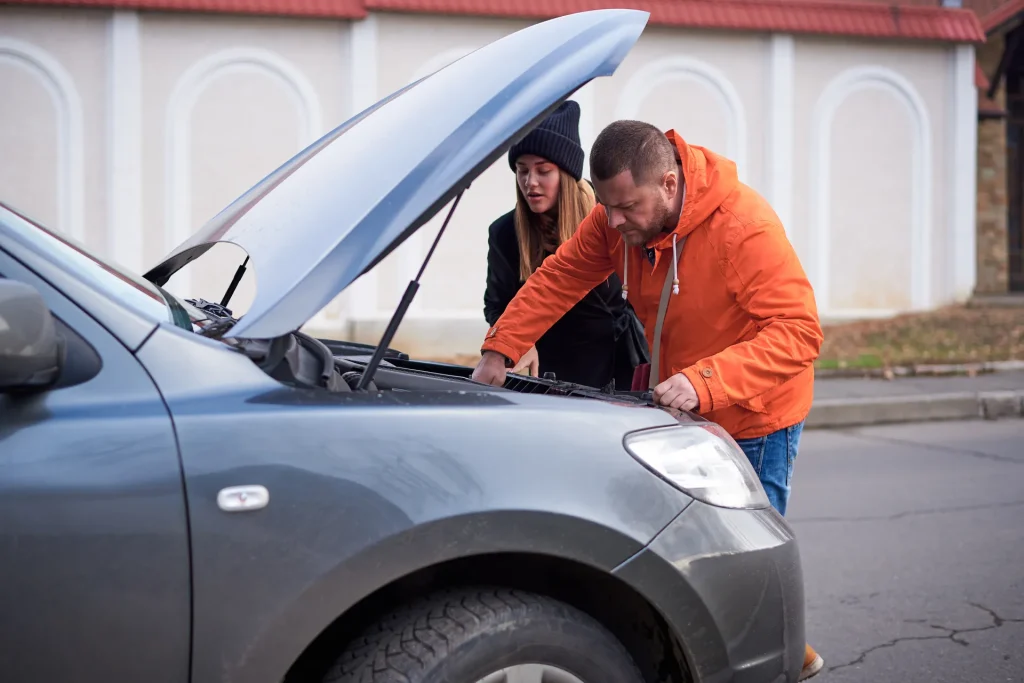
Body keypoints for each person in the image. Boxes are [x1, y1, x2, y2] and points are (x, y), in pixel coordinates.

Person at [472, 119, 825, 680]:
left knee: (742, 568)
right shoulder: (618, 219)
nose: (612, 222)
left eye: (625, 207)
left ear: (667, 184)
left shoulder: (743, 228)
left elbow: (799, 333)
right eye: (606, 207)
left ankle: (778, 661)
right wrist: (500, 349)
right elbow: (557, 277)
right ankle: (778, 648)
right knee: (687, 556)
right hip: (683, 415)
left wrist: (707, 381)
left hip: (754, 418)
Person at [483, 100, 647, 389]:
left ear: (566, 173)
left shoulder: (611, 214)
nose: (530, 182)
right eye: (522, 170)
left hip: (617, 371)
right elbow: (496, 304)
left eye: (543, 171)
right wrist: (519, 344)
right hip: (548, 373)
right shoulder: (505, 232)